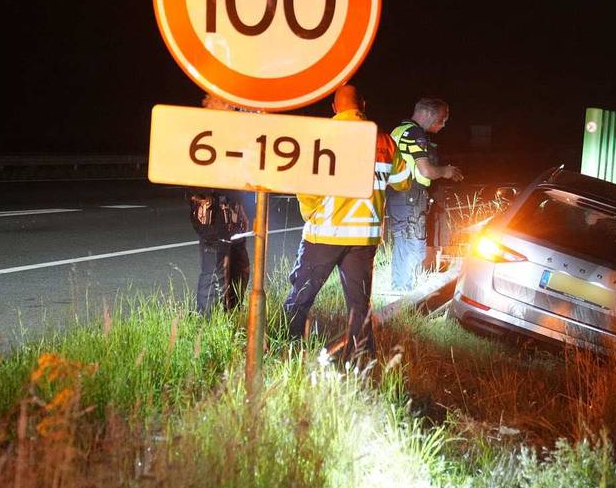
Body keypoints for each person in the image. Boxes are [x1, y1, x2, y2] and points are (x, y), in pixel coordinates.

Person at [282, 84, 410, 358]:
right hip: (363, 238)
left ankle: (284, 348)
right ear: (363, 106)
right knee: (359, 306)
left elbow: (306, 186)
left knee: (302, 296)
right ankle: (361, 361)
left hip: (324, 236)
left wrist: (310, 213)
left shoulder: (324, 137)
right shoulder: (385, 142)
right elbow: (402, 182)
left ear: (334, 108)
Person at [386, 97, 464, 291]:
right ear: (427, 113)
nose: (443, 124)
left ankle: (399, 289)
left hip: (398, 196)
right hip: (410, 197)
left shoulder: (399, 130)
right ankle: (405, 292)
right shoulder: (414, 133)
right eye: (441, 119)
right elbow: (426, 171)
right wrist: (446, 171)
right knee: (413, 244)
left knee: (403, 242)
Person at [188, 94, 252, 315]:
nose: (236, 112)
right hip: (213, 216)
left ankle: (230, 317)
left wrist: (241, 207)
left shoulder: (230, 139)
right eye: (232, 107)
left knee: (239, 268)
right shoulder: (204, 138)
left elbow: (234, 178)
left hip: (232, 214)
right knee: (215, 271)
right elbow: (196, 180)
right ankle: (206, 324)